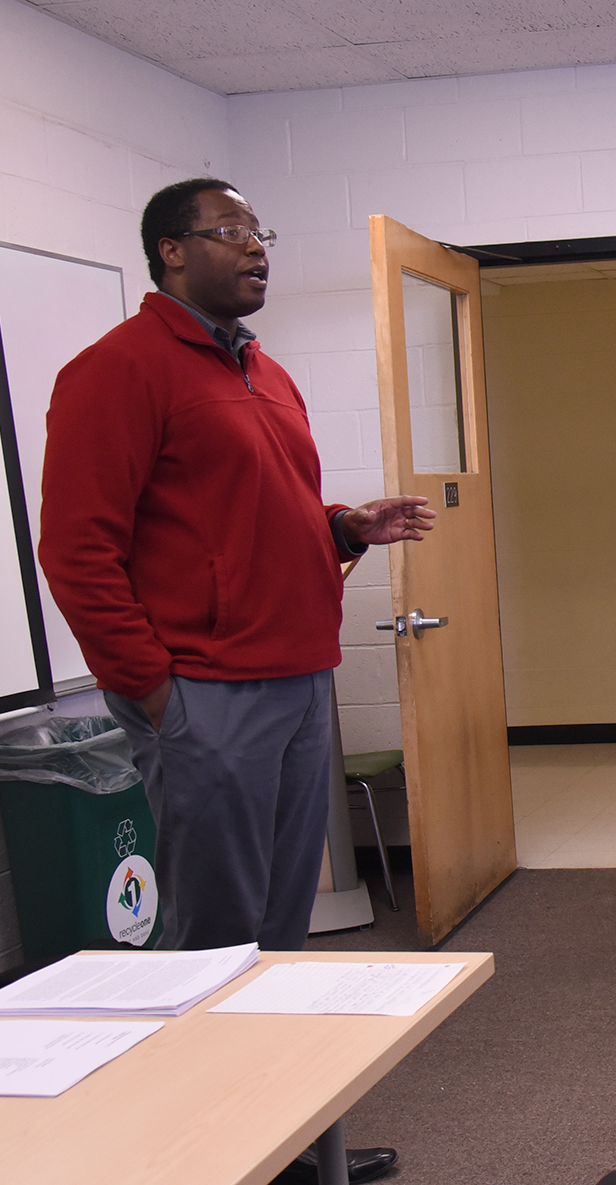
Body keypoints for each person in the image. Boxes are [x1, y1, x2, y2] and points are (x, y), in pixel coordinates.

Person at [39, 178, 433, 1185]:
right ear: (172, 251)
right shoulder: (116, 373)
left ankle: (295, 1149)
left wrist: (342, 527)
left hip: (298, 677)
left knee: (280, 940)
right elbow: (78, 552)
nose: (257, 249)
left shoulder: (265, 372)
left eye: (262, 233)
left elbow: (252, 513)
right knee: (214, 942)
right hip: (206, 691)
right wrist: (154, 690)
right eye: (232, 233)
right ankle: (198, 1158)